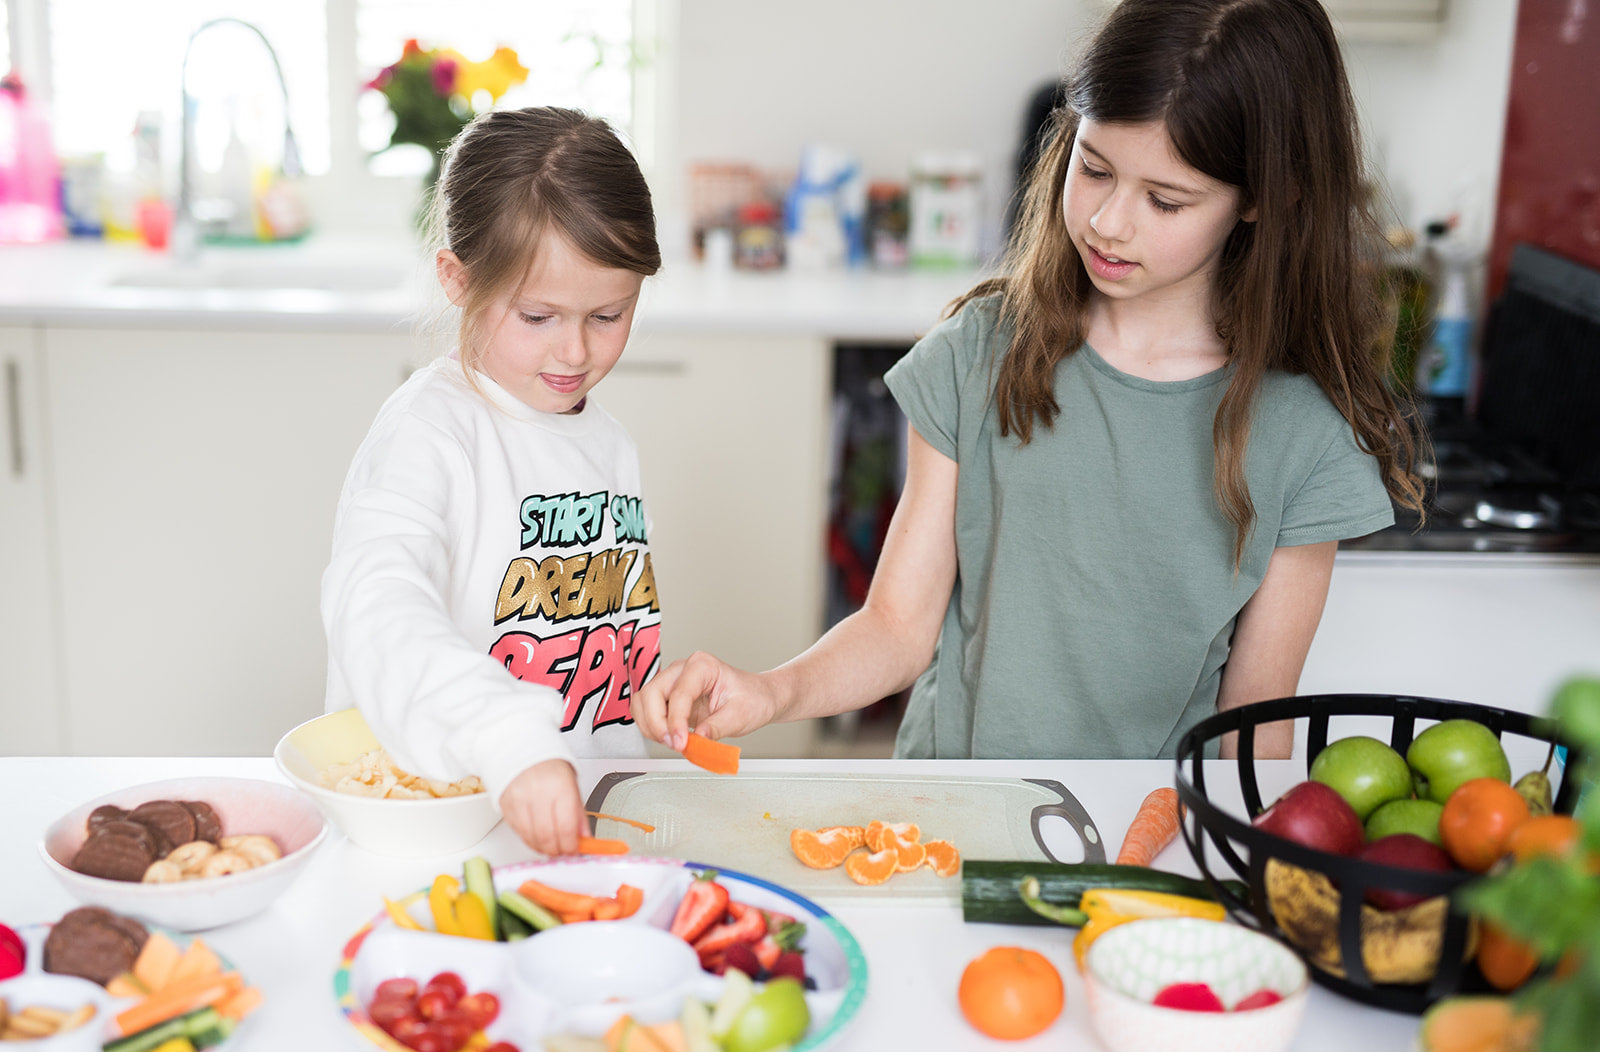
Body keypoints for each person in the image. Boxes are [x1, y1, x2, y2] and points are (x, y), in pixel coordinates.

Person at [636, 0, 1425, 762]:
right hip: (947, 817)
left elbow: (1253, 725)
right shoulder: (977, 355)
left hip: (1140, 842)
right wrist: (771, 692)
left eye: (1165, 199)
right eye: (1095, 167)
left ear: (1264, 199)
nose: (1110, 221)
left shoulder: (1307, 436)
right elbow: (896, 628)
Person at [322, 107, 663, 855]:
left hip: (582, 831)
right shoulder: (430, 432)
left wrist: (643, 700)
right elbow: (375, 602)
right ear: (458, 278)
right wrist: (504, 737)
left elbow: (580, 640)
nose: (574, 349)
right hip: (450, 839)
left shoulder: (606, 442)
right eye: (537, 315)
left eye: (609, 314)